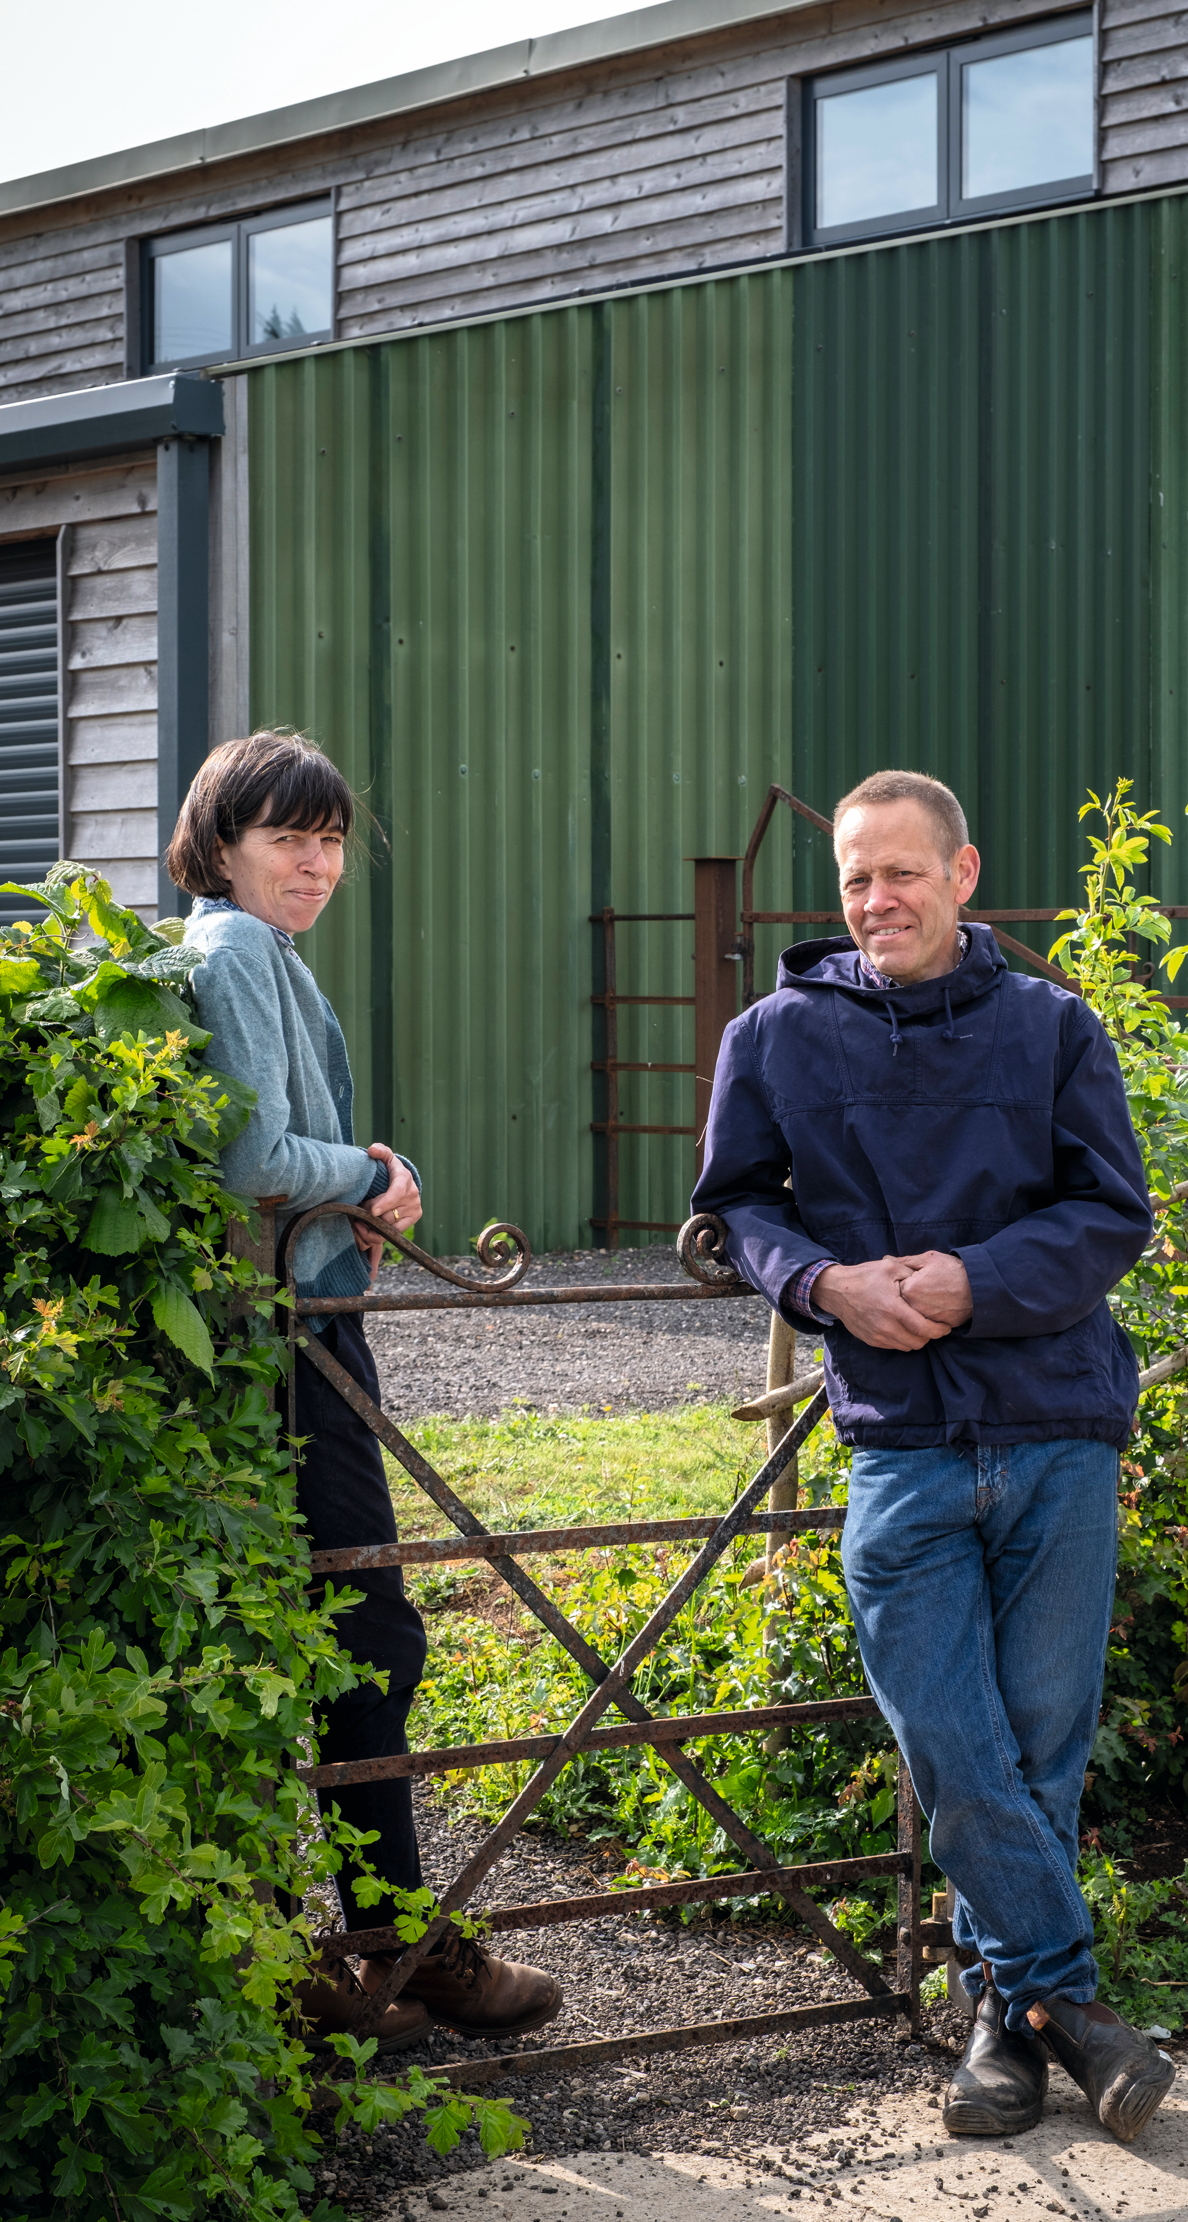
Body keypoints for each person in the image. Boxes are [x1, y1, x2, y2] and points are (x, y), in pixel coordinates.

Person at [691, 770, 1170, 2143]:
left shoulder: (1050, 1027)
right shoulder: (777, 1036)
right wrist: (827, 1286)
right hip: (898, 1445)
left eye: (902, 872)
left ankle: (1002, 2032)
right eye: (854, 877)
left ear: (963, 875)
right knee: (956, 1751)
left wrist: (969, 1276)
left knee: (1038, 1748)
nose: (876, 898)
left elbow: (1109, 1211)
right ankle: (1073, 2007)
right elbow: (732, 1211)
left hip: (1057, 1427)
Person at [169, 730, 562, 2052]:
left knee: (310, 1635)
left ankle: (334, 1948)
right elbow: (250, 1156)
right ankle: (376, 1948)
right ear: (222, 842)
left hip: (295, 1320)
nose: (316, 863)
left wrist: (350, 1199)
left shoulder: (259, 954)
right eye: (288, 835)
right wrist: (373, 1170)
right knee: (363, 1632)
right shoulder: (230, 949)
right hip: (288, 1340)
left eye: (330, 839)